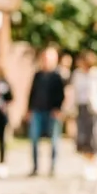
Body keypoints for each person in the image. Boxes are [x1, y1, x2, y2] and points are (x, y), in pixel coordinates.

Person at [26, 47, 66, 177]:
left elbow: (61, 95)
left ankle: (53, 167)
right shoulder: (37, 75)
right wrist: (29, 109)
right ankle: (35, 167)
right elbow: (32, 93)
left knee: (54, 141)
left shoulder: (57, 76)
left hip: (52, 112)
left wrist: (58, 109)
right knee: (34, 139)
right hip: (37, 110)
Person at [71, 51, 97, 181]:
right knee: (82, 136)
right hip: (81, 107)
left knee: (93, 135)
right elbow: (73, 92)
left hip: (94, 108)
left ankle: (93, 163)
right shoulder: (77, 75)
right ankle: (86, 162)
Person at [0, 60, 13, 179]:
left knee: (1, 141)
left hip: (0, 115)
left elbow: (10, 97)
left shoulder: (4, 83)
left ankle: (2, 164)